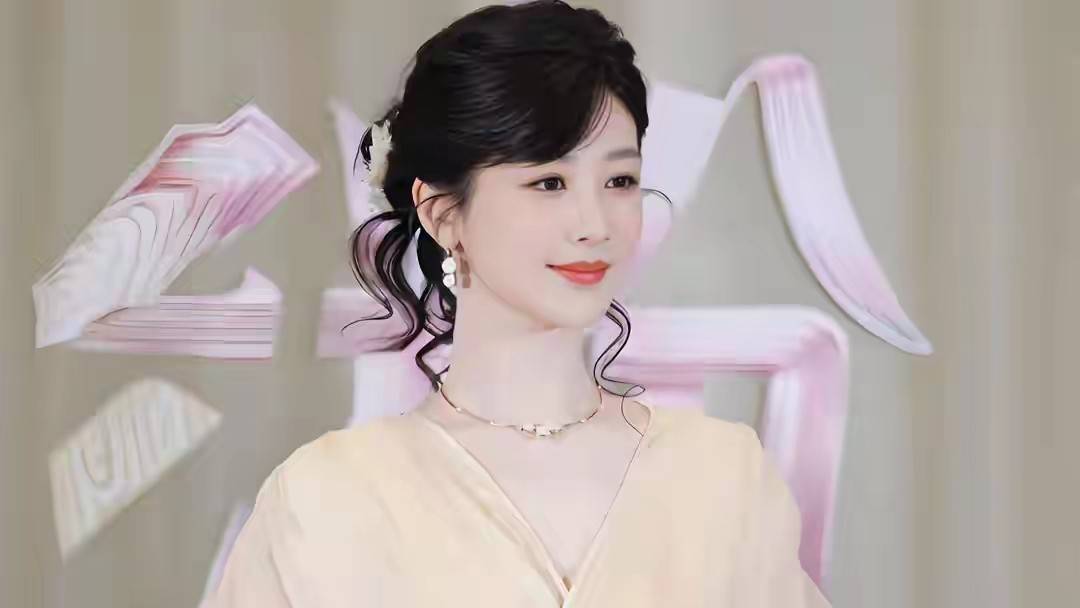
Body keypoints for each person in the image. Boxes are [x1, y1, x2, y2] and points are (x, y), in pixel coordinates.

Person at [206, 1, 831, 606]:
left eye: (619, 181)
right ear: (442, 213)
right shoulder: (326, 500)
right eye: (548, 182)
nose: (595, 224)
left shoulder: (723, 477)